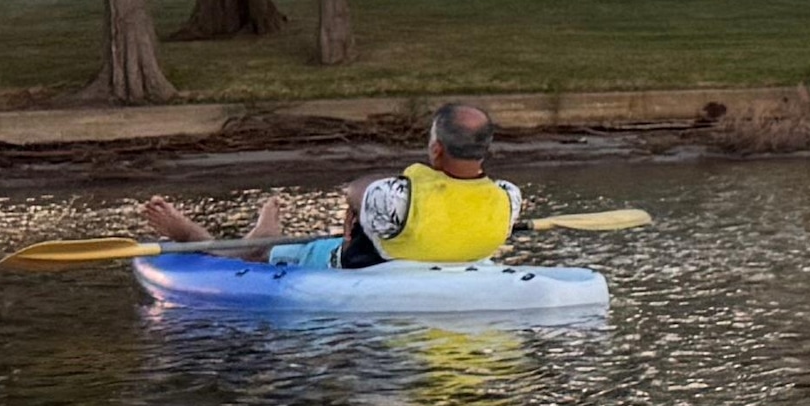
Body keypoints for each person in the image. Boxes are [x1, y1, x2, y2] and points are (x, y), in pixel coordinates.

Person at [139, 98, 528, 270]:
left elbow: (354, 192)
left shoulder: (398, 197)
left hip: (367, 264)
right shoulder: (508, 198)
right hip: (446, 265)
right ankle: (259, 238)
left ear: (437, 149)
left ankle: (207, 237)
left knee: (253, 258)